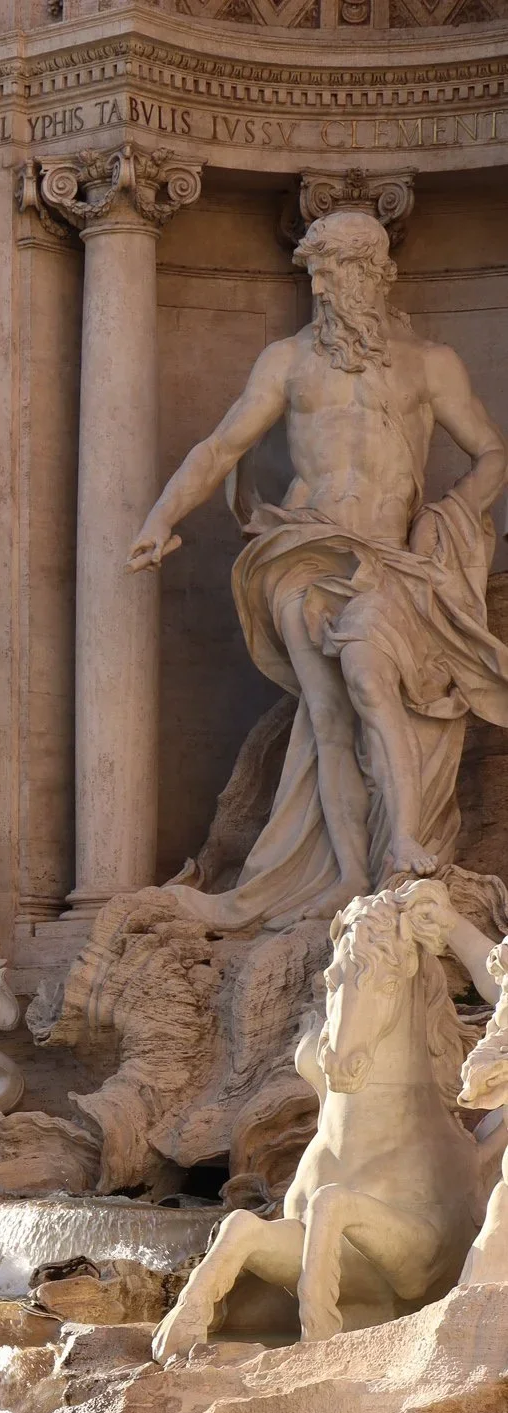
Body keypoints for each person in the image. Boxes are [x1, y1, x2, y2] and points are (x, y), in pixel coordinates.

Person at [129, 208, 508, 931]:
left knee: (367, 674)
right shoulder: (287, 360)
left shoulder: (430, 362)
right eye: (318, 274)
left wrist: (453, 509)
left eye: (336, 271)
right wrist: (159, 520)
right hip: (301, 552)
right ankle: (352, 878)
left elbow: (490, 451)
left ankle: (404, 844)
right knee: (328, 715)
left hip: (390, 557)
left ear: (372, 271)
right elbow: (218, 447)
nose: (325, 288)